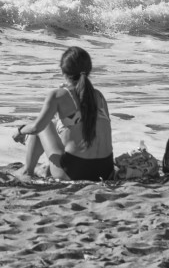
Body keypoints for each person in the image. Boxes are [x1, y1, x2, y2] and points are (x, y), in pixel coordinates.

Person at [13, 46, 114, 180]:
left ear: (63, 70)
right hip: (105, 171)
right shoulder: (99, 96)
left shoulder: (58, 95)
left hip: (74, 172)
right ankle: (42, 169)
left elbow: (37, 127)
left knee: (46, 125)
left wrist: (20, 131)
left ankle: (28, 171)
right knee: (56, 125)